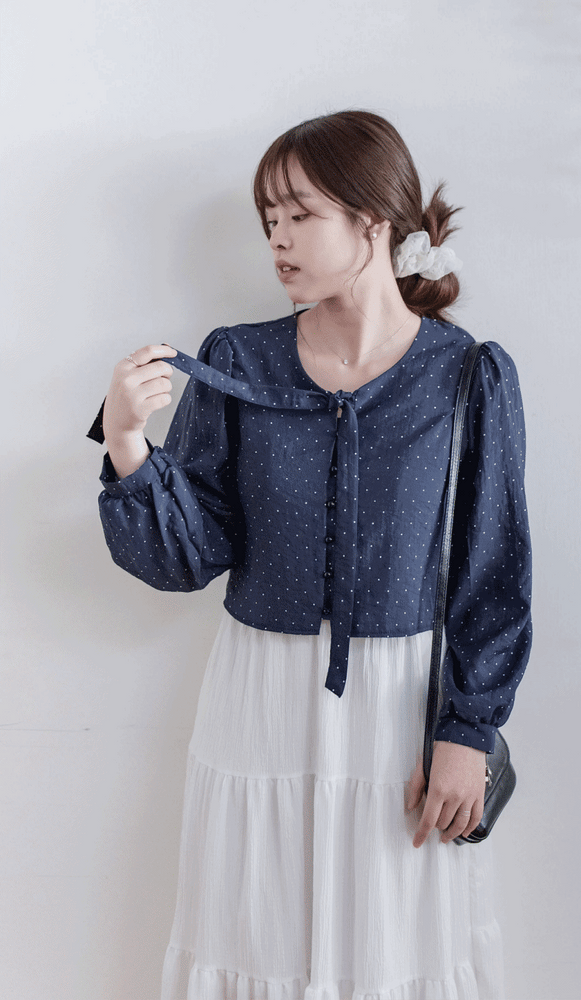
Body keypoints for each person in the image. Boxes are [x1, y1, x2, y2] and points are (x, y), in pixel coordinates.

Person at [93, 110, 532, 1000]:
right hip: (259, 695)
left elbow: (493, 573)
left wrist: (468, 730)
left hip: (403, 704)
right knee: (255, 931)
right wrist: (130, 442)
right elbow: (190, 555)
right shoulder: (237, 361)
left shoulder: (465, 375)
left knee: (394, 940)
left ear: (373, 221)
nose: (278, 239)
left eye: (299, 214)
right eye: (269, 219)